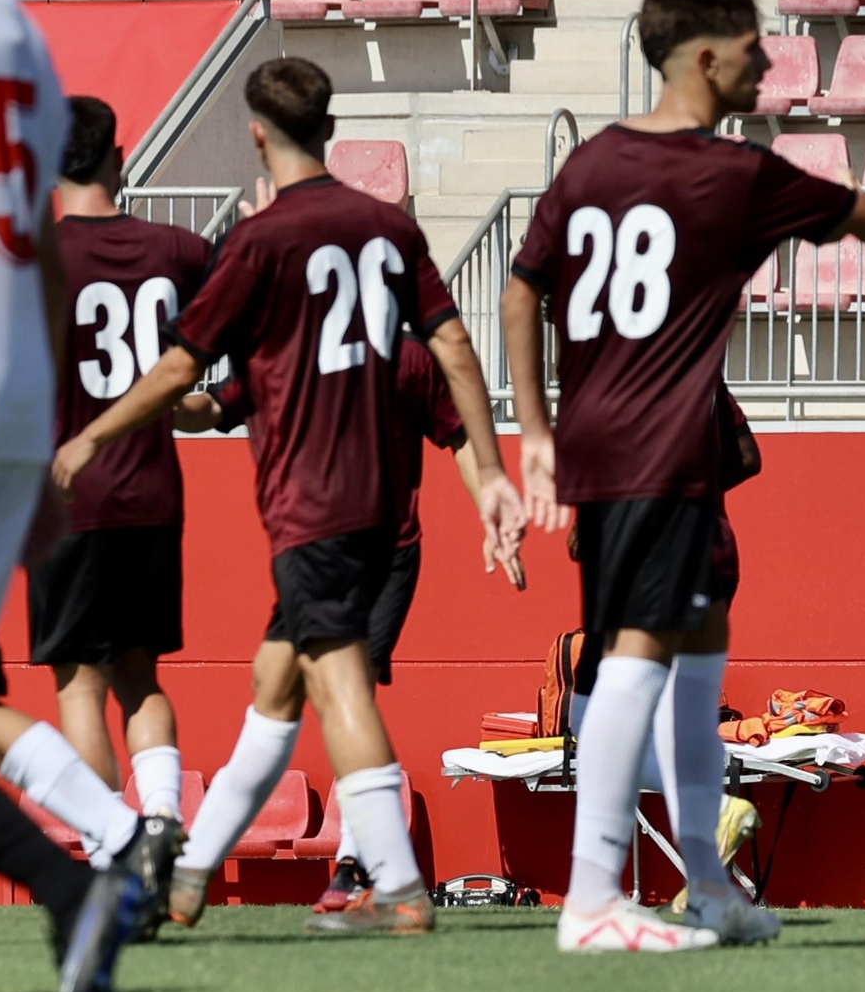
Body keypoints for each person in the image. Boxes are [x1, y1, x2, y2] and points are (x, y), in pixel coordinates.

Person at [52, 57, 526, 936]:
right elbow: (455, 349)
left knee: (338, 684)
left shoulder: (261, 243)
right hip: (384, 507)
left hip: (313, 503)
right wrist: (495, 476)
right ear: (331, 128)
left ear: (258, 135)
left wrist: (95, 432)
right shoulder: (387, 229)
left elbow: (181, 368)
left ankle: (395, 886)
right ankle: (189, 880)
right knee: (275, 688)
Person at [502, 0, 865, 952]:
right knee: (636, 649)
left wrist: (537, 427)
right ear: (707, 56)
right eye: (755, 44)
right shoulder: (735, 174)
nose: (769, 59)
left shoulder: (591, 162)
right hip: (657, 449)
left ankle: (708, 883)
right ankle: (594, 895)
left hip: (611, 445)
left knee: (694, 635)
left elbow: (519, 289)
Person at [180, 330, 527, 913]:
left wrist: (489, 503)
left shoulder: (404, 354)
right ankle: (188, 872)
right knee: (277, 687)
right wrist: (146, 397)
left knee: (345, 695)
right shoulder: (280, 348)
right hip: (311, 552)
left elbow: (459, 432)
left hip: (376, 550)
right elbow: (211, 406)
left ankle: (367, 875)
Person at [0, 0, 153, 992]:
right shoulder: (9, 22)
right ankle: (91, 861)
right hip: (9, 394)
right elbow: (36, 234)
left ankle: (84, 870)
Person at [28, 97, 210, 855]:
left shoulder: (38, 261)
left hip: (68, 495)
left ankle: (111, 851)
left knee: (80, 686)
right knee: (141, 676)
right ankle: (164, 826)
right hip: (152, 493)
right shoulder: (177, 249)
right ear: (121, 155)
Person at [565, 380, 763, 911]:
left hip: (642, 554)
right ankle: (710, 891)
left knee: (589, 714)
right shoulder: (696, 361)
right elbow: (747, 456)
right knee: (680, 715)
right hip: (713, 550)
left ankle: (603, 892)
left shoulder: (614, 363)